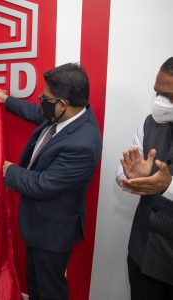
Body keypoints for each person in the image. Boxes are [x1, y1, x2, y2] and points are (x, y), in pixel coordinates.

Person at [0, 63, 102, 300]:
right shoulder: (66, 114)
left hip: (53, 232)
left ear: (63, 104)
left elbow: (43, 184)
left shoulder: (83, 143)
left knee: (50, 290)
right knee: (35, 285)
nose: (42, 100)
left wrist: (10, 171)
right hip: (38, 224)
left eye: (46, 97)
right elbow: (37, 114)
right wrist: (6, 100)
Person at [116, 57, 173, 300]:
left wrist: (167, 186)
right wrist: (129, 177)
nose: (159, 102)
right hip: (142, 253)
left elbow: (163, 184)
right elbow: (125, 170)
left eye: (168, 96)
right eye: (157, 93)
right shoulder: (148, 123)